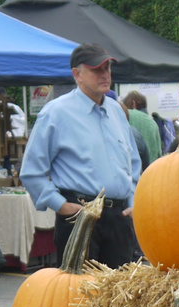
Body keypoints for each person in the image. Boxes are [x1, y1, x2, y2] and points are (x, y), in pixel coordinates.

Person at [19, 43, 143, 269]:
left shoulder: (116, 111)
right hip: (80, 216)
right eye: (97, 69)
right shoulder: (56, 113)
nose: (105, 74)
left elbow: (133, 164)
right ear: (77, 74)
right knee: (81, 298)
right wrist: (61, 205)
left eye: (107, 68)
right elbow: (31, 171)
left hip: (119, 218)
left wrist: (134, 202)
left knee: (120, 298)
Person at [120, 91, 162, 167]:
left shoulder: (125, 115)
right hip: (152, 170)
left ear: (133, 103)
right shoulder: (153, 122)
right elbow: (159, 153)